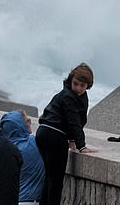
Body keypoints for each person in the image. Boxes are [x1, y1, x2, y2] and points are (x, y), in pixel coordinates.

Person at [35, 62, 98, 205]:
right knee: (56, 180)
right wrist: (81, 146)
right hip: (54, 136)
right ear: (71, 80)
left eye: (82, 85)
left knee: (50, 177)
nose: (78, 88)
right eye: (76, 84)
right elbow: (74, 121)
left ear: (88, 85)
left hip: (43, 133)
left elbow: (69, 119)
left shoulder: (65, 94)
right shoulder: (69, 97)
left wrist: (71, 140)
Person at [1, 110, 45, 204]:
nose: (30, 122)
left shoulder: (2, 148)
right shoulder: (35, 143)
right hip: (32, 200)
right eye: (27, 121)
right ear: (20, 125)